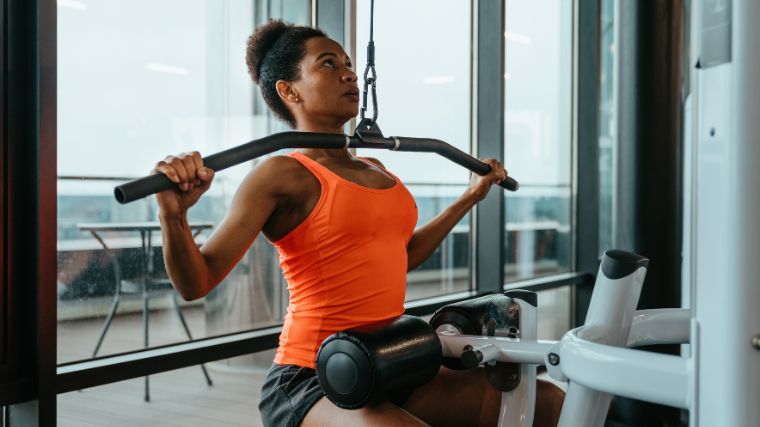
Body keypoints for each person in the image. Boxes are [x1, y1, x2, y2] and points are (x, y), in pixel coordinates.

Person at [154, 19, 564, 427]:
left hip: (389, 362)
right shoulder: (279, 173)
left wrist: (469, 197)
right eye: (328, 64)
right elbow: (197, 281)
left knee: (547, 402)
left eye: (348, 63)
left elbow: (400, 256)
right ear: (288, 89)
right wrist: (174, 215)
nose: (349, 73)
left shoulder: (374, 166)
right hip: (314, 376)